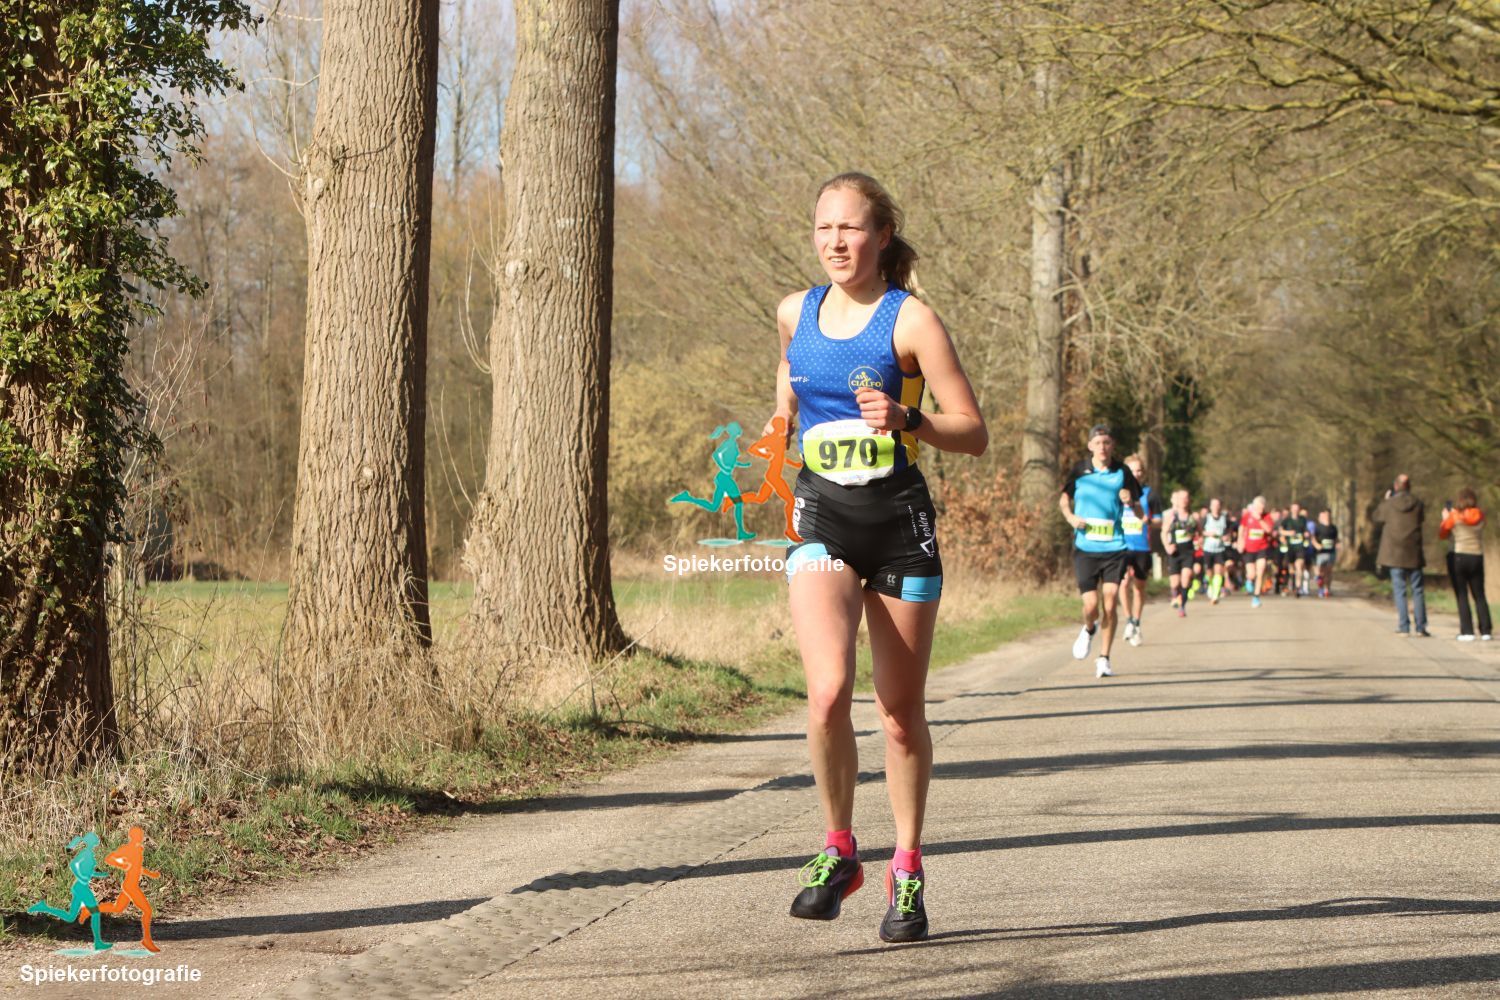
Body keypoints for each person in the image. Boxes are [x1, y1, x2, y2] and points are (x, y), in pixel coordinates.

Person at [771, 172, 987, 943]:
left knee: (898, 716)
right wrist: (780, 418)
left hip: (899, 525)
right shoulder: (794, 311)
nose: (835, 242)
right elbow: (791, 381)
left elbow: (974, 431)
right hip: (822, 517)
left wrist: (909, 418)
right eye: (824, 227)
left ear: (882, 235)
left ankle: (906, 865)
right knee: (829, 693)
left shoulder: (912, 320)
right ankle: (838, 850)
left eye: (851, 228)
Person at [1060, 424, 1144, 678]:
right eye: (1098, 443)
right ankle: (1089, 628)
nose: (1102, 447)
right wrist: (1071, 517)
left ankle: (1104, 658)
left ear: (1112, 445)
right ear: (1090, 446)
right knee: (1091, 606)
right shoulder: (1079, 470)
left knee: (1110, 601)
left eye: (1107, 443)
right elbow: (1063, 499)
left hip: (1114, 548)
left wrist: (1130, 502)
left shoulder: (1122, 472)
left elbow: (1140, 513)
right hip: (1086, 548)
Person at [1374, 474, 1429, 636]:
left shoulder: (1389, 504)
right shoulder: (1418, 504)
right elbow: (1422, 519)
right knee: (1418, 590)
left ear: (1395, 486)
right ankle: (1421, 627)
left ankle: (1404, 626)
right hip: (1413, 553)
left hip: (1394, 554)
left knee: (1400, 590)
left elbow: (1376, 516)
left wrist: (1385, 500)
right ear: (1409, 486)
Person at [1119, 453, 1161, 646]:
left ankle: (1136, 622)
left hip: (1142, 546)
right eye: (1131, 471)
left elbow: (1160, 520)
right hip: (1121, 545)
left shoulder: (1150, 494)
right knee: (1122, 582)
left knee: (1139, 586)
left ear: (1143, 473)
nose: (1135, 474)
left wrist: (1148, 521)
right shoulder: (1118, 493)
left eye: (1138, 471)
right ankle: (1128, 620)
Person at [1440, 487, 1492, 641]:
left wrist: (1445, 518)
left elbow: (1442, 534)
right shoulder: (1480, 515)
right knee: (1479, 594)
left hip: (1459, 556)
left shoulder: (1455, 516)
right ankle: (1486, 631)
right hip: (1477, 556)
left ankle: (1467, 631)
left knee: (1462, 594)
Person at [1161, 489, 1197, 617]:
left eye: (1186, 498)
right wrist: (1167, 546)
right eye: (1181, 498)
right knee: (1175, 583)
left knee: (1186, 578)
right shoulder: (1171, 516)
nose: (1184, 500)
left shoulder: (1193, 516)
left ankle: (1182, 606)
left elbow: (1200, 532)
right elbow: (1163, 533)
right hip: (1174, 552)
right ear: (1177, 500)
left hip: (1188, 551)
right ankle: (1175, 596)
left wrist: (1200, 540)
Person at [1238, 496, 1274, 608]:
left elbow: (1268, 530)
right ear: (1254, 506)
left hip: (1261, 548)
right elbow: (1241, 529)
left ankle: (1256, 597)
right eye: (1258, 507)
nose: (1260, 510)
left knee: (1260, 572)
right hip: (1248, 549)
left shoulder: (1267, 517)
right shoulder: (1247, 516)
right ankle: (1249, 580)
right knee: (1252, 574)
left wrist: (1260, 519)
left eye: (1262, 507)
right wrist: (1240, 541)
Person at [1201, 498, 1230, 603]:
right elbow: (1200, 531)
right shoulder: (1206, 518)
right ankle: (1210, 586)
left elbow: (1228, 531)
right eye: (1214, 505)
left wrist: (1226, 537)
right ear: (1210, 507)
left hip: (1220, 549)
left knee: (1218, 571)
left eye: (1218, 505)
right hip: (1208, 548)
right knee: (1209, 571)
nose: (1216, 507)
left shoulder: (1224, 518)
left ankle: (1215, 595)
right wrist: (1209, 534)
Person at [1279, 502, 1309, 599]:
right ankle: (1289, 585)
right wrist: (1288, 533)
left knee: (1299, 566)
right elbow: (1280, 531)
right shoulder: (1286, 520)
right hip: (1290, 548)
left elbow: (1306, 530)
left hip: (1300, 548)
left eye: (1297, 508)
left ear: (1299, 509)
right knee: (1291, 570)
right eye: (1294, 508)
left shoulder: (1303, 520)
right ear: (1291, 509)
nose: (1295, 510)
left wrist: (1306, 534)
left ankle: (1298, 587)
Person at [1312, 510, 1339, 597]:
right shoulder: (1318, 527)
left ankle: (1327, 589)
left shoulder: (1333, 528)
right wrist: (1317, 545)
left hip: (1331, 552)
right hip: (1321, 553)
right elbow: (1313, 538)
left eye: (1329, 515)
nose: (1327, 517)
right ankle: (1320, 588)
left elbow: (1335, 539)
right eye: (1326, 515)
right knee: (1321, 572)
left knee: (1329, 572)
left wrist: (1336, 544)